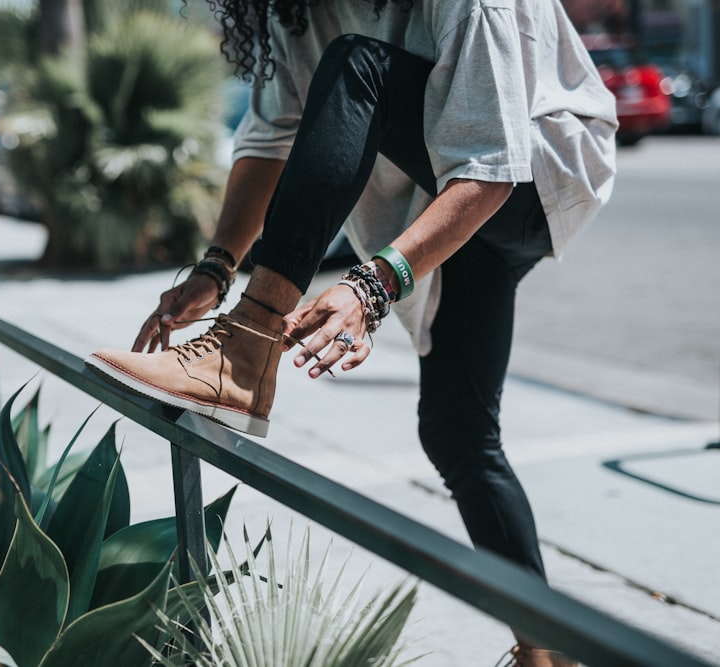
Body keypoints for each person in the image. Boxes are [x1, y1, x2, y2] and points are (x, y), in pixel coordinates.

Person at [86, 1, 616, 664]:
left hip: (537, 175)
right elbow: (272, 139)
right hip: (452, 197)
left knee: (356, 65)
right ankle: (547, 652)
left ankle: (244, 354)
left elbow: (491, 165)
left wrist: (373, 286)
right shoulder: (294, 8)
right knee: (457, 433)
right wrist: (218, 265)